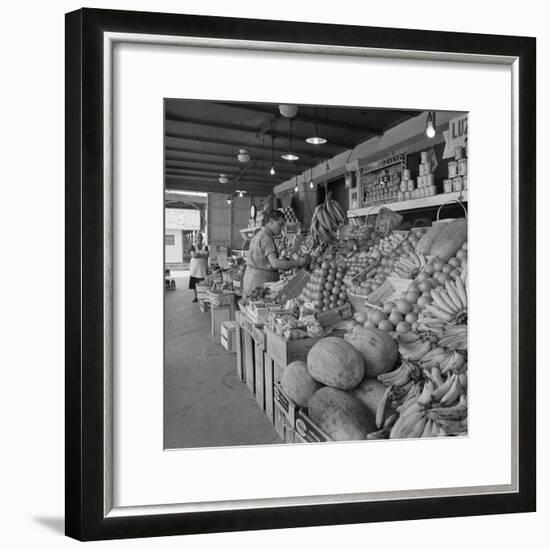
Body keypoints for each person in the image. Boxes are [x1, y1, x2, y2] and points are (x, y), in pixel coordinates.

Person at [243, 210, 306, 297]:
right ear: (271, 221)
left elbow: (266, 261)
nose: (281, 228)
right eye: (280, 224)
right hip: (260, 283)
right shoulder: (266, 238)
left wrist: (285, 262)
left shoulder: (259, 235)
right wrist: (297, 263)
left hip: (250, 280)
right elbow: (275, 263)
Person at [189, 232, 209, 302]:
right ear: (196, 238)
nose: (199, 239)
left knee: (203, 283)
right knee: (194, 283)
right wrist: (202, 255)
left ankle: (203, 296)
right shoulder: (193, 246)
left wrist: (198, 254)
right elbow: (193, 255)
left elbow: (207, 255)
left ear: (202, 238)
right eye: (198, 237)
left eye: (200, 237)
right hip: (194, 268)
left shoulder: (205, 246)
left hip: (203, 268)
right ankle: (196, 296)